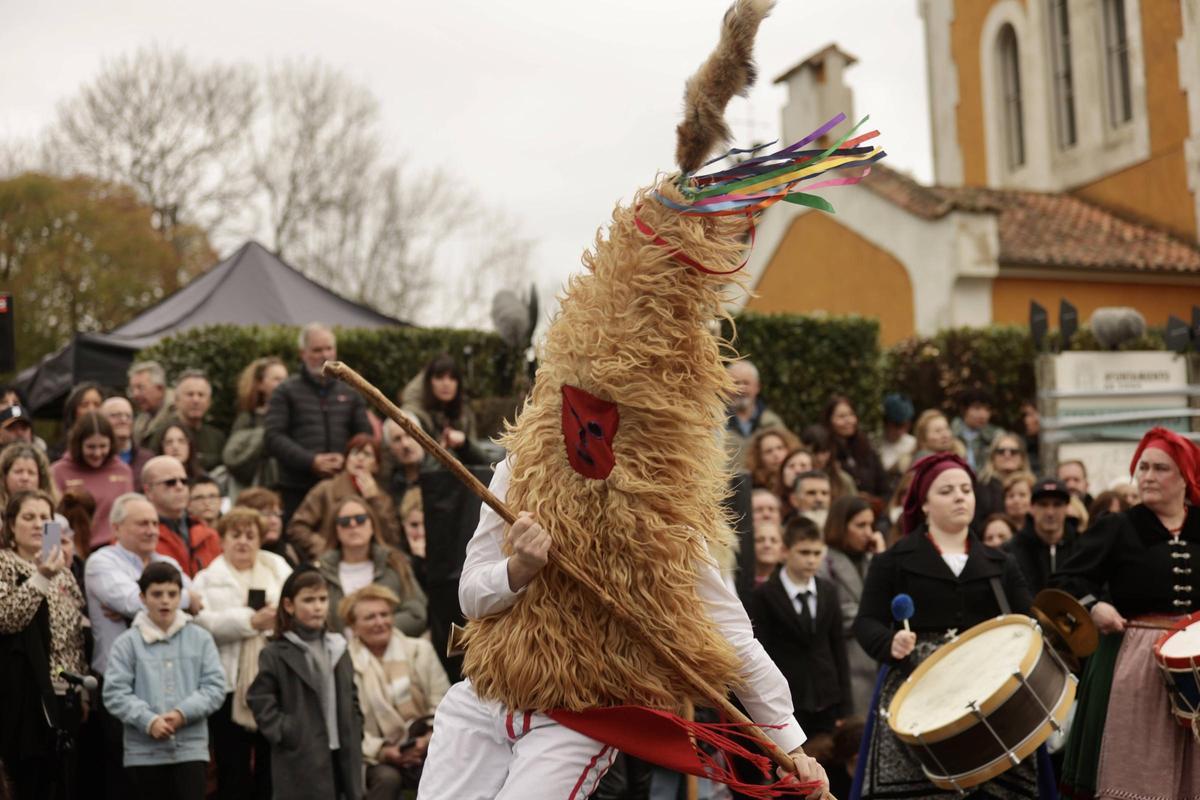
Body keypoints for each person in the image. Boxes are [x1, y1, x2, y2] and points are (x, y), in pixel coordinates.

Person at [852, 453, 1037, 799]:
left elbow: (1030, 624)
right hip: (915, 690)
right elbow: (866, 621)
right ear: (923, 504)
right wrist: (889, 642)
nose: (959, 497)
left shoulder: (1001, 563)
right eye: (947, 490)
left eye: (966, 489)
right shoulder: (893, 560)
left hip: (990, 692)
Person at [1052, 427, 1200, 800]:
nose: (1147, 476)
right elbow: (1063, 581)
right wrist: (1094, 606)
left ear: (1186, 476)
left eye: (1160, 468)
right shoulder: (1118, 527)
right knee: (1137, 767)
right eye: (1142, 467)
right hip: (1135, 665)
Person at [192, 508, 293, 800]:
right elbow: (202, 622)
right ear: (222, 540)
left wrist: (271, 620)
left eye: (251, 535)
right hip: (227, 683)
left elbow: (292, 607)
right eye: (235, 535)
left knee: (269, 763)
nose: (243, 542)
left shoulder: (277, 567)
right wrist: (250, 622)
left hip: (273, 682)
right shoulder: (208, 578)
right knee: (232, 764)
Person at [102, 562, 225, 800]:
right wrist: (148, 721)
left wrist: (182, 713)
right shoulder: (127, 643)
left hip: (191, 750)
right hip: (143, 752)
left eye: (172, 594)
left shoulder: (200, 638)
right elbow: (115, 693)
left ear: (181, 596)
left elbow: (215, 686)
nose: (165, 601)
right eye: (156, 594)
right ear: (142, 597)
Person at [247, 567, 364, 800]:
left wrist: (355, 726)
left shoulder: (338, 647)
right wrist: (288, 732)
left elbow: (351, 694)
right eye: (308, 600)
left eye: (322, 599)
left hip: (342, 751)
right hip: (301, 755)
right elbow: (259, 699)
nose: (318, 606)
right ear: (289, 605)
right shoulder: (275, 652)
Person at [0, 490, 87, 800]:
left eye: (45, 518)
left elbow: (74, 633)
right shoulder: (4, 564)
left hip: (64, 692)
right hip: (21, 693)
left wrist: (81, 686)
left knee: (61, 781)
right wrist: (40, 577)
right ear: (11, 525)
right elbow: (7, 618)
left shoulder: (64, 573)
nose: (38, 524)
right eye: (28, 517)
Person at [341, 585, 450, 797]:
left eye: (385, 614)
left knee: (440, 770)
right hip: (375, 756)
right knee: (387, 779)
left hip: (427, 743)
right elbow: (348, 725)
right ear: (353, 627)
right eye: (370, 617)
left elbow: (443, 702)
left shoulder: (420, 651)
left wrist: (427, 739)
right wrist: (383, 752)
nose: (380, 622)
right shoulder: (345, 664)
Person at [749, 516, 851, 736]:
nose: (811, 560)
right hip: (787, 699)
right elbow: (761, 650)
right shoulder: (764, 595)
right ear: (785, 552)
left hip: (826, 696)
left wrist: (845, 704)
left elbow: (838, 646)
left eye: (816, 553)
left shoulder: (828, 591)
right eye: (804, 553)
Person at [265, 323, 372, 522]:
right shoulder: (285, 391)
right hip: (297, 489)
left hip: (343, 489)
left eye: (329, 348)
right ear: (302, 353)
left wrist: (346, 458)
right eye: (317, 350)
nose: (325, 355)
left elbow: (364, 435)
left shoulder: (351, 391)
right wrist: (311, 461)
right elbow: (273, 437)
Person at [315, 496, 426, 636]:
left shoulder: (395, 563)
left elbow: (416, 613)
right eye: (345, 522)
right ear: (336, 529)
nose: (353, 525)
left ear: (372, 525)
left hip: (392, 650)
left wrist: (376, 630)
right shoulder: (320, 571)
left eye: (360, 519)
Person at [820, 495, 885, 717]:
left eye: (871, 525)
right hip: (847, 663)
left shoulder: (871, 560)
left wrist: (881, 558)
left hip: (874, 661)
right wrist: (872, 615)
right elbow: (834, 613)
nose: (869, 532)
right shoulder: (824, 562)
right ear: (841, 526)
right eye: (860, 525)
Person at [288, 434, 401, 561]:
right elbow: (297, 527)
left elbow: (392, 539)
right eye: (355, 453)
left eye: (367, 454)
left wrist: (374, 500)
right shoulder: (326, 489)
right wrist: (326, 549)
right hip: (331, 563)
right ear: (346, 460)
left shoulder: (383, 498)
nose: (360, 458)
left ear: (376, 466)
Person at [50, 412, 134, 548]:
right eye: (91, 447)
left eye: (103, 446)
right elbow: (50, 519)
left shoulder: (123, 471)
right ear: (78, 444)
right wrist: (50, 554)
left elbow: (131, 515)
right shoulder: (58, 471)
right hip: (72, 551)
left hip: (115, 550)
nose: (97, 453)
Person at [402, 353, 488, 466]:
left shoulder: (465, 414)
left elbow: (484, 462)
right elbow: (417, 468)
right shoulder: (417, 417)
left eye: (452, 378)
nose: (446, 383)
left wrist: (464, 444)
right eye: (439, 377)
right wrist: (442, 448)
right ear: (429, 382)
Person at [143, 456, 222, 578]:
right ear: (148, 490)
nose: (180, 487)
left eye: (184, 481)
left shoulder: (209, 535)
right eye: (170, 482)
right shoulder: (137, 535)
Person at [223, 357, 289, 492]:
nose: (284, 384)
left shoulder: (295, 414)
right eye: (277, 379)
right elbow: (234, 458)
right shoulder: (248, 418)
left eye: (285, 379)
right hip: (259, 488)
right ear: (260, 384)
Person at [147, 371, 226, 473]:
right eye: (190, 394)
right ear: (176, 400)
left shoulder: (217, 438)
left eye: (201, 395)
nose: (196, 400)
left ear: (209, 401)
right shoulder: (162, 434)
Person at [1009, 479, 1078, 594]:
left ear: (1067, 508)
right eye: (1043, 504)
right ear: (1031, 508)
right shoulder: (1012, 551)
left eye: (1057, 504)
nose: (1050, 512)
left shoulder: (1080, 547)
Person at [823, 394, 887, 500]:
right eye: (841, 417)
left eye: (851, 415)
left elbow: (884, 486)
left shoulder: (867, 448)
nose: (848, 420)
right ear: (829, 421)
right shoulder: (826, 451)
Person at [724, 360, 785, 466]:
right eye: (736, 383)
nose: (741, 388)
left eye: (746, 383)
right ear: (725, 388)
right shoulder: (714, 423)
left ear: (757, 387)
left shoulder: (772, 423)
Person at [235, 487, 302, 567]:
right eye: (266, 514)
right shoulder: (239, 558)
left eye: (277, 514)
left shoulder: (291, 551)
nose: (274, 521)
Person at [973, 432, 1030, 523]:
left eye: (1013, 452)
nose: (1007, 455)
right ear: (993, 458)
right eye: (1001, 451)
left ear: (1022, 458)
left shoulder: (1032, 485)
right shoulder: (981, 487)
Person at [101, 396, 154, 491]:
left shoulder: (147, 460)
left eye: (128, 416)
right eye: (115, 415)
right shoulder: (95, 458)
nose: (123, 420)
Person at [378, 414, 429, 509]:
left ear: (422, 437)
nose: (405, 444)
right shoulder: (389, 485)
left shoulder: (440, 470)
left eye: (409, 435)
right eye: (397, 439)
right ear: (390, 449)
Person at [50, 382, 105, 460]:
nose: (91, 410)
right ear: (74, 411)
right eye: (85, 405)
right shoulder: (59, 451)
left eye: (97, 404)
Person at [0, 443, 58, 517]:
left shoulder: (54, 518)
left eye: (31, 473)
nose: (25, 478)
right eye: (18, 471)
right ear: (4, 477)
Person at [800, 425, 856, 499]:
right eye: (815, 453)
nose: (820, 458)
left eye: (824, 452)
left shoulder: (843, 480)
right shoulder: (796, 476)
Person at [127, 361, 174, 449]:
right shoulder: (141, 419)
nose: (135, 394)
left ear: (160, 388)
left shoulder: (176, 415)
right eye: (132, 389)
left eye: (140, 388)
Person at [950, 389, 999, 472]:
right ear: (963, 409)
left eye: (987, 410)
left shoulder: (996, 437)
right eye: (977, 408)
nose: (983, 415)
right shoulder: (949, 435)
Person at [875, 393, 916, 490]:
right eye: (896, 426)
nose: (901, 431)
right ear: (886, 423)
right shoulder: (874, 443)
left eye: (905, 426)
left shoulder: (913, 444)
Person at [397, 489, 426, 589]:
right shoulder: (396, 555)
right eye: (414, 525)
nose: (421, 532)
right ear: (403, 524)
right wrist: (417, 560)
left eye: (426, 525)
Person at [752, 521, 783, 588]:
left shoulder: (789, 582)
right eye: (760, 540)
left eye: (773, 540)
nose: (767, 545)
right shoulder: (736, 581)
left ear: (783, 548)